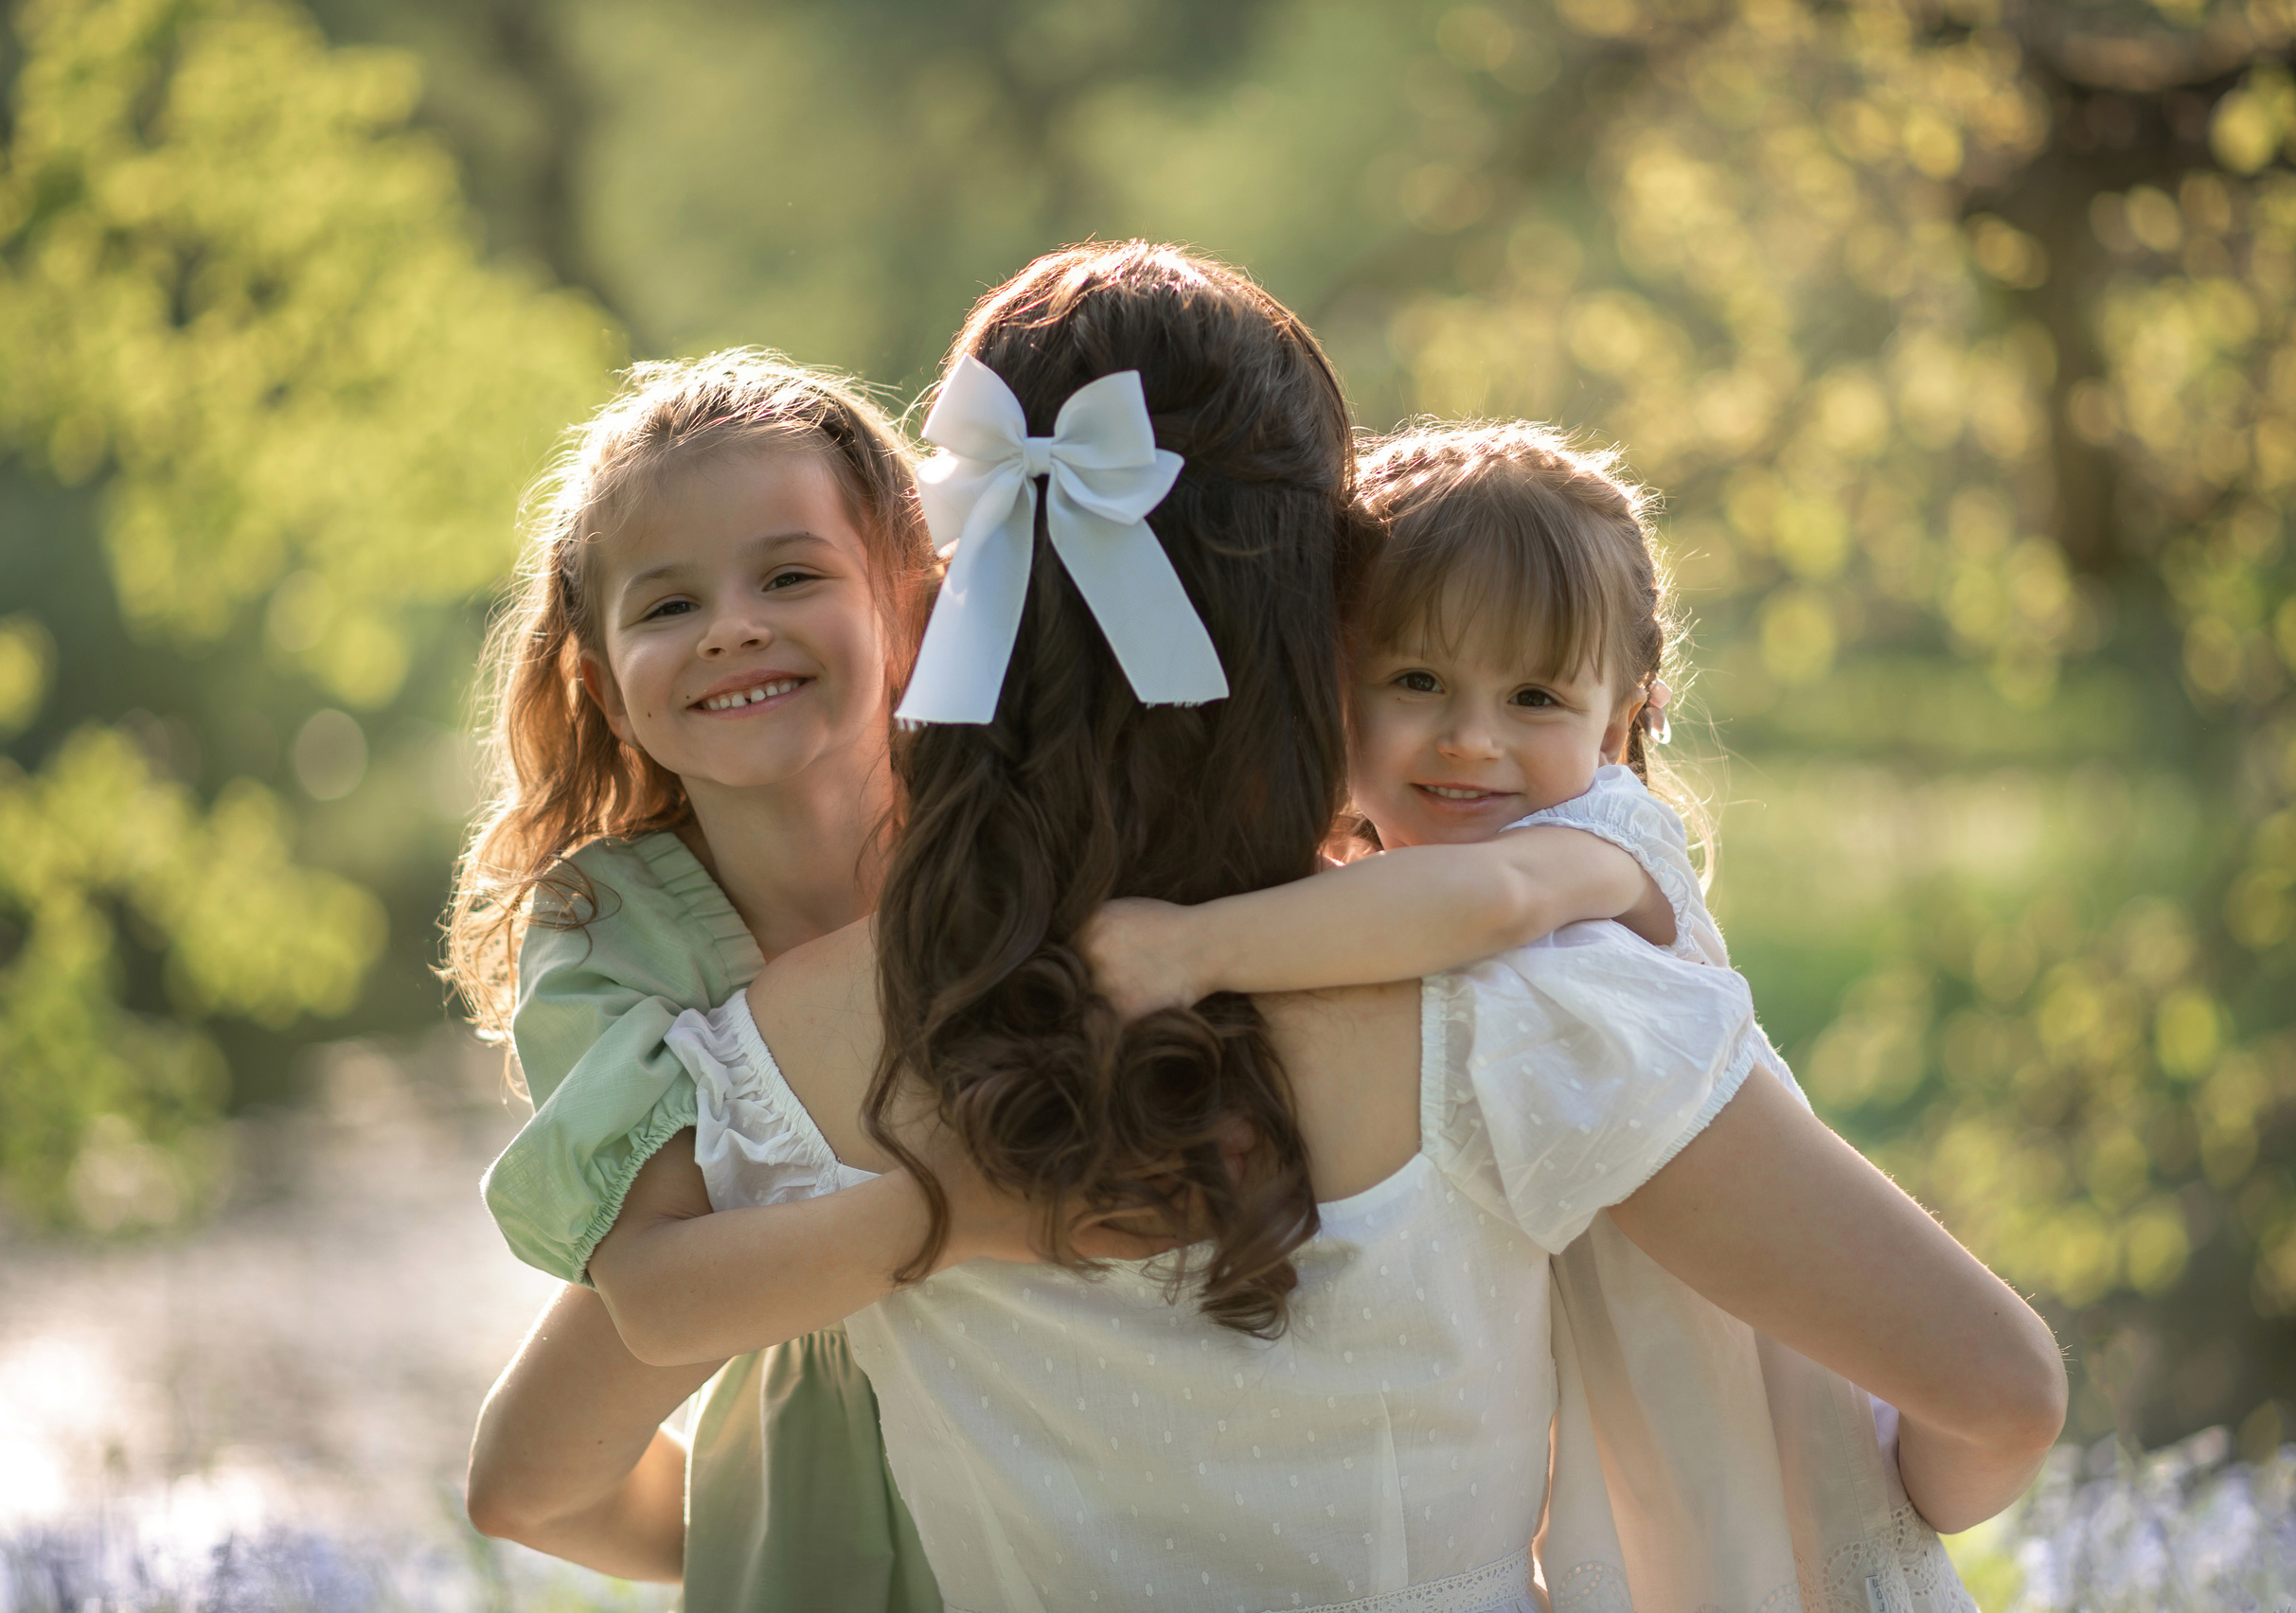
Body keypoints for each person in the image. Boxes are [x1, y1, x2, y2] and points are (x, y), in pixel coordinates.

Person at [564, 241, 2065, 1612]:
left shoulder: (774, 1055)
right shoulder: (1516, 1005)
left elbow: (535, 1474)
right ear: (1321, 607)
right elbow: (2002, 1395)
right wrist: (1866, 1507)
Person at [1077, 419, 1985, 1610]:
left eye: (1535, 696)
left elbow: (1492, 897)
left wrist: (1191, 948)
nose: (1471, 737)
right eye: (1416, 681)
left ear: (1618, 725)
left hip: (1769, 1497)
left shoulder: (1603, 846)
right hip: (1635, 1502)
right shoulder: (1374, 893)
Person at [443, 349, 942, 1611]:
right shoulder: (607, 930)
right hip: (825, 1498)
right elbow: (661, 1298)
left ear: (910, 602)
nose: (731, 625)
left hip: (1071, 1428)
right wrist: (970, 1213)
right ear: (606, 693)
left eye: (790, 574)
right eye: (668, 606)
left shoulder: (1018, 841)